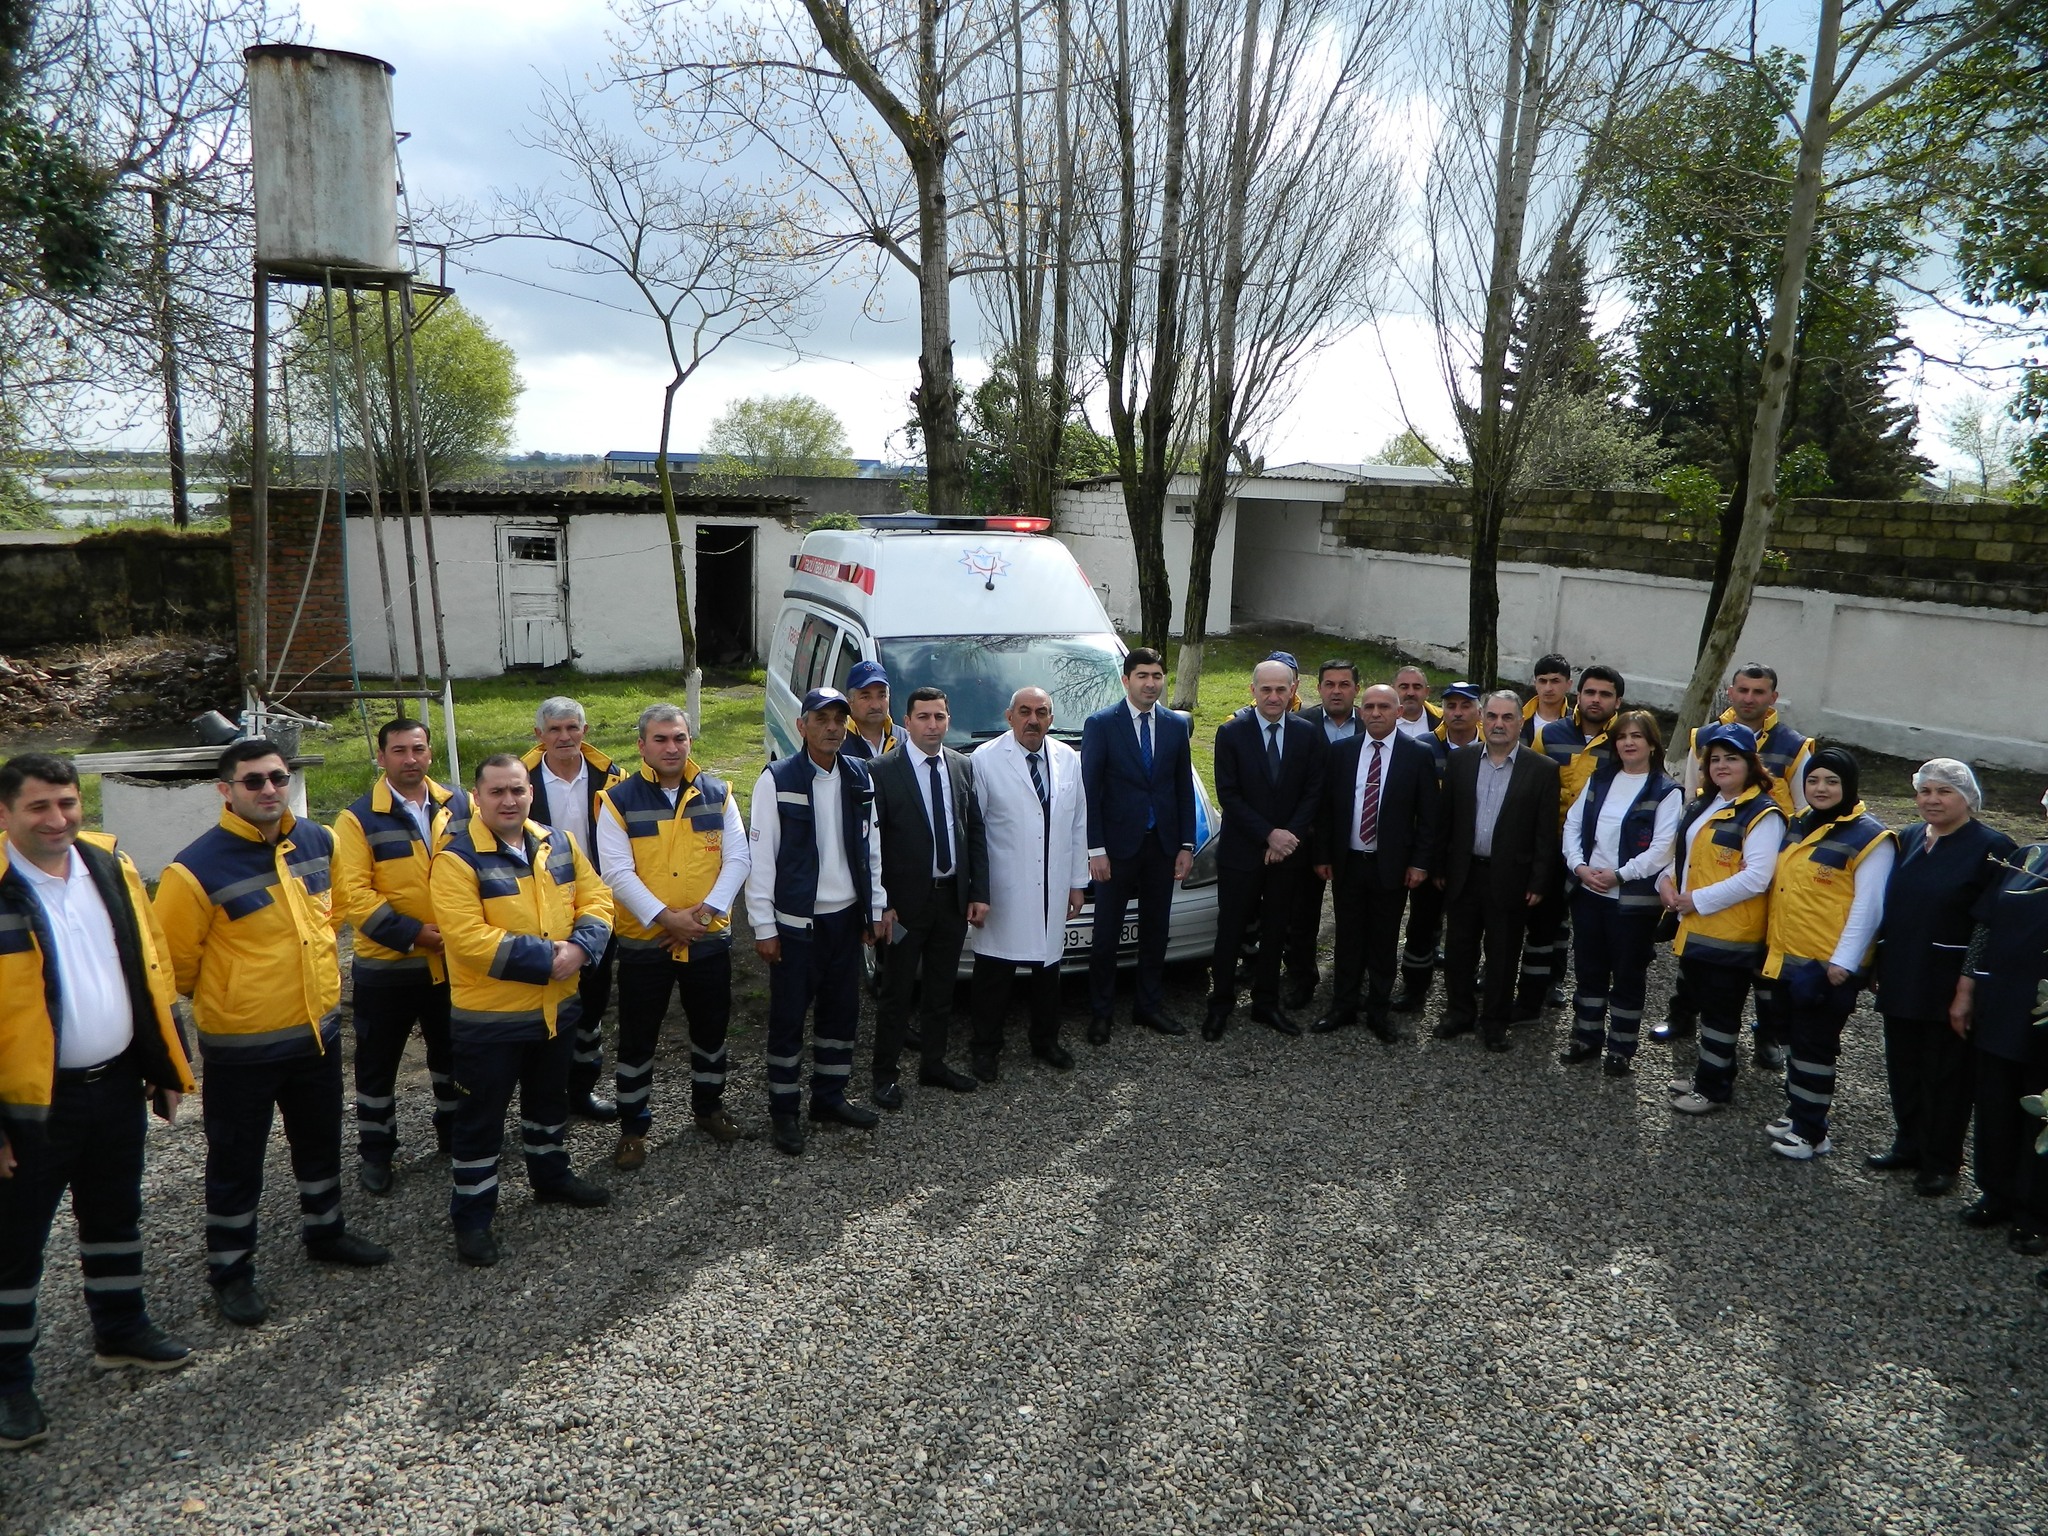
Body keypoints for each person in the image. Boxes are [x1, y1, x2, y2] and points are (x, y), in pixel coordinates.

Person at [156, 739, 390, 1327]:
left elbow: (333, 913)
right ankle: (231, 1272)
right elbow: (175, 966)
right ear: (225, 790)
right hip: (243, 1047)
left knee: (319, 1140)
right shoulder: (193, 870)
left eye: (278, 778)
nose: (268, 790)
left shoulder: (318, 840)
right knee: (237, 1161)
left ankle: (325, 1232)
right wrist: (238, 991)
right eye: (254, 781)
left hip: (315, 1033)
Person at [0, 754, 197, 1451]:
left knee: (115, 1213)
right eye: (38, 807)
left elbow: (150, 966)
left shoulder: (109, 866)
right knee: (14, 1243)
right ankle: (9, 1382)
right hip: (29, 1105)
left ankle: (120, 1330)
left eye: (67, 803)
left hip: (113, 1084)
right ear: (4, 813)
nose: (57, 819)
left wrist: (164, 1062)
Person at [431, 754, 615, 1267]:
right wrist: (551, 959)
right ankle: (472, 1218)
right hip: (490, 1022)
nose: (509, 801)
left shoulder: (560, 842)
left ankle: (550, 1177)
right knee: (481, 1120)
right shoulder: (456, 859)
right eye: (497, 792)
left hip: (556, 1011)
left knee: (548, 1102)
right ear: (477, 798)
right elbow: (467, 938)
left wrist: (581, 948)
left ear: (531, 791)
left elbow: (598, 899)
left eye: (517, 790)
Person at [595, 704, 750, 1171]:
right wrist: (667, 919)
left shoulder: (719, 794)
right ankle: (633, 1129)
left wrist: (701, 916)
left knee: (711, 1029)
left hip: (706, 939)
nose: (671, 747)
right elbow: (616, 872)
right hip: (646, 944)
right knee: (637, 1037)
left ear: (690, 742)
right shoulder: (617, 801)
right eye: (660, 739)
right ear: (642, 745)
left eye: (679, 738)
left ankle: (709, 1109)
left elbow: (738, 859)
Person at [745, 687, 890, 1155]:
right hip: (795, 926)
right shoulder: (777, 779)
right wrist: (763, 926)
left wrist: (873, 910)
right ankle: (784, 1111)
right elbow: (760, 858)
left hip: (845, 921)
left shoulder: (859, 775)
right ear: (801, 725)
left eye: (838, 720)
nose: (831, 728)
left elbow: (871, 848)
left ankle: (829, 1098)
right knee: (789, 1018)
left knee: (841, 1013)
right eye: (821, 719)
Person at [330, 717, 469, 1194]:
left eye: (418, 749)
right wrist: (413, 934)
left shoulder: (460, 804)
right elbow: (353, 894)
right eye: (399, 751)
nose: (411, 759)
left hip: (451, 963)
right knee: (378, 1064)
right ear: (381, 757)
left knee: (452, 1054)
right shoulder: (357, 818)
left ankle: (454, 1134)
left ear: (430, 753)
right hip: (388, 967)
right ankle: (377, 1152)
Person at [1869, 759, 2016, 1195]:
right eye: (1925, 791)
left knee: (1946, 1075)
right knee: (1903, 1065)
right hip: (1904, 971)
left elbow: (1988, 924)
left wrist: (1967, 987)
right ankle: (1908, 1143)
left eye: (1944, 791)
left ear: (1967, 798)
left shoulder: (1992, 848)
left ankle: (1941, 1160)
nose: (1932, 800)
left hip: (1948, 980)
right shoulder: (1911, 837)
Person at [1652, 663, 1811, 1053]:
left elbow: (1805, 813)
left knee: (1759, 960)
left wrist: (1773, 858)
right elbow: (1694, 802)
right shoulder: (1704, 737)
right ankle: (1683, 1016)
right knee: (1694, 948)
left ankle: (1766, 1036)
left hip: (1765, 866)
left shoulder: (1795, 746)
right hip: (1710, 862)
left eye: (1759, 692)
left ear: (1773, 697)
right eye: (1743, 690)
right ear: (1730, 692)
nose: (1749, 698)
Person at [1757, 748, 1896, 1159]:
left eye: (1832, 782)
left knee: (1815, 1046)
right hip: (1786, 957)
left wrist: (1845, 962)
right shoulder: (1799, 822)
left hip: (1826, 966)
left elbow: (1869, 907)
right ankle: (1799, 1112)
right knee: (1793, 1041)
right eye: (1814, 780)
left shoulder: (1870, 838)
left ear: (1849, 786)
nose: (1821, 789)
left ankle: (1812, 1133)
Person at [870, 686, 989, 1102]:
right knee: (897, 992)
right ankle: (884, 1075)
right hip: (903, 907)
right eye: (923, 717)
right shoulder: (883, 770)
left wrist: (978, 891)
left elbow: (974, 831)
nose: (932, 725)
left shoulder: (961, 766)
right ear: (907, 722)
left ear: (948, 720)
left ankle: (933, 1065)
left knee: (941, 991)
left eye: (939, 717)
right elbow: (872, 844)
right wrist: (882, 904)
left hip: (951, 901)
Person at [1663, 724, 1787, 1116]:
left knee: (1721, 1013)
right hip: (1697, 927)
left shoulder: (1763, 813)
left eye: (1731, 758)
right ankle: (1709, 1073)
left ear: (1751, 763)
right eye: (1714, 759)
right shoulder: (1706, 803)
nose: (1721, 765)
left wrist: (1695, 900)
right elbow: (1684, 855)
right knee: (1707, 1005)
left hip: (1731, 934)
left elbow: (1756, 877)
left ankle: (1713, 1089)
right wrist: (1666, 883)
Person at [968, 687, 1087, 1080]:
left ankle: (1045, 1041)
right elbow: (974, 831)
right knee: (994, 973)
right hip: (1004, 887)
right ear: (1009, 717)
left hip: (1052, 882)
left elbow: (1078, 822)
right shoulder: (985, 760)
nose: (1032, 720)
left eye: (1041, 712)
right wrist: (977, 891)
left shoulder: (1068, 759)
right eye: (1024, 712)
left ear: (1051, 719)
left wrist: (1077, 882)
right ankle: (985, 1048)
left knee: (1048, 971)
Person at [1432, 691, 1561, 1052]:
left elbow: (1545, 832)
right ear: (1482, 720)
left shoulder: (1542, 769)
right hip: (1464, 872)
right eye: (1492, 716)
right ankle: (1459, 1012)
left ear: (1521, 722)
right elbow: (1446, 819)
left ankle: (1495, 1022)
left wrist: (1539, 880)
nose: (1498, 724)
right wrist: (1439, 865)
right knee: (1459, 949)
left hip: (1511, 877)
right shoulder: (1461, 761)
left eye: (1507, 717)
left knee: (1502, 954)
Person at [1950, 794, 2048, 1260]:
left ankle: (2037, 1212)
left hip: (2046, 1014)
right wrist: (1966, 988)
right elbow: (1985, 927)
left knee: (2040, 1112)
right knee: (1995, 1100)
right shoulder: (2026, 857)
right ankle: (1996, 1191)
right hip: (2002, 1001)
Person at [1080, 647, 1195, 1043]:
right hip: (1116, 849)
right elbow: (1090, 791)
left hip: (1161, 845)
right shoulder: (1101, 724)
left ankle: (1148, 1006)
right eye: (1142, 676)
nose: (1150, 683)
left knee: (1155, 930)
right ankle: (1101, 1013)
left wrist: (1185, 845)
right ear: (1126, 680)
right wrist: (1096, 849)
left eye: (1157, 676)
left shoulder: (1175, 725)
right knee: (1106, 935)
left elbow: (1182, 787)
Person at [1311, 684, 1438, 1042]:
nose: (1376, 713)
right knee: (1348, 937)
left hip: (1391, 864)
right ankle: (1343, 1005)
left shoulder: (1418, 754)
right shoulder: (1342, 751)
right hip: (1348, 862)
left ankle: (1379, 1009)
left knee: (1384, 939)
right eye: (1369, 707)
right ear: (1361, 712)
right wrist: (1322, 855)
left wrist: (1420, 863)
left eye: (1384, 706)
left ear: (1398, 712)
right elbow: (1326, 809)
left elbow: (1429, 816)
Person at [1207, 660, 1325, 1040]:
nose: (1273, 697)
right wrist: (1268, 835)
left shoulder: (1307, 734)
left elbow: (1313, 791)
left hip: (1287, 854)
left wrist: (1287, 837)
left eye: (1281, 689)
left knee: (1276, 929)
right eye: (1266, 689)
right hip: (1242, 852)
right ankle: (1220, 1004)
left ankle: (1266, 1003)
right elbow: (1229, 794)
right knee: (1231, 929)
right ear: (1252, 691)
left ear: (1293, 690)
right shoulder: (1231, 732)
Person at [1559, 710, 1681, 1075]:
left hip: (1633, 903)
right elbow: (1573, 825)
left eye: (1637, 736)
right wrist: (1579, 867)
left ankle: (1621, 1048)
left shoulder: (1666, 791)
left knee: (1628, 974)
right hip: (1589, 894)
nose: (1629, 743)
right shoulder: (1600, 779)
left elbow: (1662, 849)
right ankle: (1586, 1037)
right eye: (1623, 737)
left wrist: (1620, 875)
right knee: (1589, 969)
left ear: (1652, 744)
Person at [523, 698, 626, 1124]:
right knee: (542, 1004)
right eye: (555, 730)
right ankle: (543, 1098)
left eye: (572, 728)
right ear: (539, 736)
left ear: (585, 731)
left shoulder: (611, 779)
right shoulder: (521, 782)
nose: (564, 737)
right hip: (538, 910)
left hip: (596, 908)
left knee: (592, 1004)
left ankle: (581, 1091)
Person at [1521, 665, 1624, 1018]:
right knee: (1543, 921)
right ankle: (1531, 997)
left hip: (1599, 853)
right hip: (1551, 844)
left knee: (1586, 928)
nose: (1596, 700)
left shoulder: (1625, 740)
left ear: (1617, 701)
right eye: (1590, 692)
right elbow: (1530, 783)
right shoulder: (1550, 734)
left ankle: (1568, 990)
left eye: (1605, 694)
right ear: (1578, 694)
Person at [1285, 659, 1365, 1008]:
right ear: (1318, 688)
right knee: (1302, 915)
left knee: (1355, 915)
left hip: (1356, 836)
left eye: (1344, 684)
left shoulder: (1371, 724)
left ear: (1356, 689)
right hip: (1308, 834)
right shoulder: (1299, 724)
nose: (1336, 691)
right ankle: (1301, 979)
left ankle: (1350, 984)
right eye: (1329, 684)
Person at [839, 659, 898, 762]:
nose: (875, 705)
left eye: (882, 696)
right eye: (866, 697)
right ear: (849, 702)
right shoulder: (837, 742)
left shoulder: (905, 739)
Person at [1520, 654, 1573, 744]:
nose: (1548, 688)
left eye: (1555, 681)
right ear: (1535, 684)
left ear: (1568, 684)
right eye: (1542, 681)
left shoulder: (1577, 724)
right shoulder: (1517, 719)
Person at [1392, 666, 1442, 740]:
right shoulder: (1380, 720)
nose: (1410, 693)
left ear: (1427, 691)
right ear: (1392, 690)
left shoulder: (1442, 721)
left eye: (1417, 687)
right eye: (1404, 687)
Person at [1434, 682, 1482, 752]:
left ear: (1479, 713)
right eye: (1451, 706)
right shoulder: (1427, 746)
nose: (1458, 713)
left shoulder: (1492, 745)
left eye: (1465, 706)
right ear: (1443, 712)